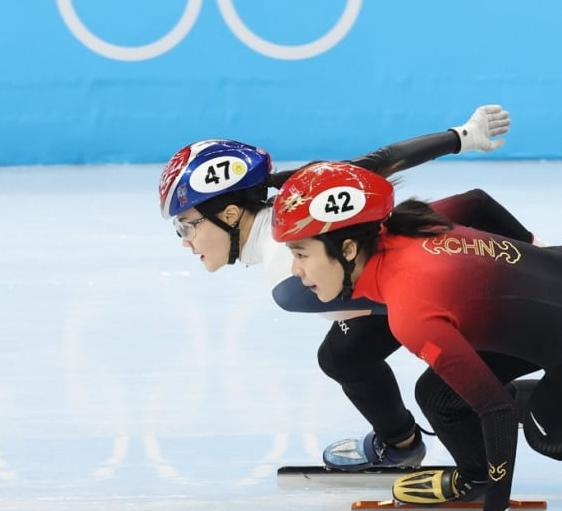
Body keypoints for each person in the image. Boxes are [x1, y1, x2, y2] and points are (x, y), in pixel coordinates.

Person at [159, 105, 539, 474]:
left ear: (229, 216)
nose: (185, 241)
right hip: (465, 244)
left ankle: (526, 403)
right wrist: (461, 137)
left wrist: (531, 277)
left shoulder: (290, 281)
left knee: (440, 394)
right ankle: (400, 443)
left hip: (483, 283)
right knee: (342, 355)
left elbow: (423, 306)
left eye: (186, 226)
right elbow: (384, 162)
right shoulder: (299, 194)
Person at [271, 160, 560, 511]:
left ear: (348, 249)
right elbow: (476, 202)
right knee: (440, 396)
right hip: (549, 304)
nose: (296, 272)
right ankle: (488, 463)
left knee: (547, 435)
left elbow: (494, 410)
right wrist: (530, 251)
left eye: (300, 253)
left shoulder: (411, 312)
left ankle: (536, 411)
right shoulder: (405, 225)